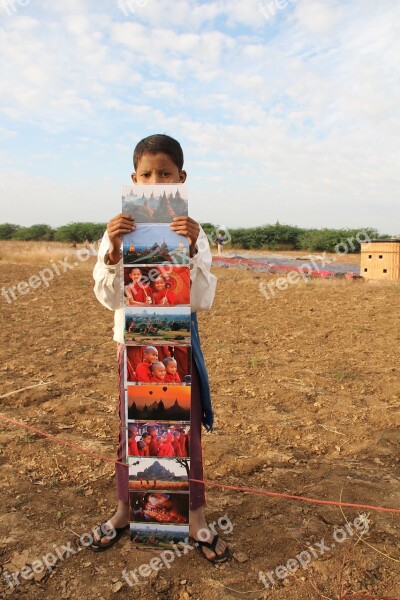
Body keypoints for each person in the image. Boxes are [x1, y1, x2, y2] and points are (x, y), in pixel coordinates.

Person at [92, 134, 228, 563]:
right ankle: (124, 512)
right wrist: (114, 253)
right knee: (131, 429)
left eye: (164, 174)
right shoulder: (118, 230)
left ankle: (196, 518)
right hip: (132, 344)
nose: (155, 181)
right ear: (134, 179)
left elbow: (202, 299)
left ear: (181, 178)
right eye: (146, 174)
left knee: (183, 432)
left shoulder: (192, 231)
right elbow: (109, 299)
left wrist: (189, 249)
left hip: (176, 345)